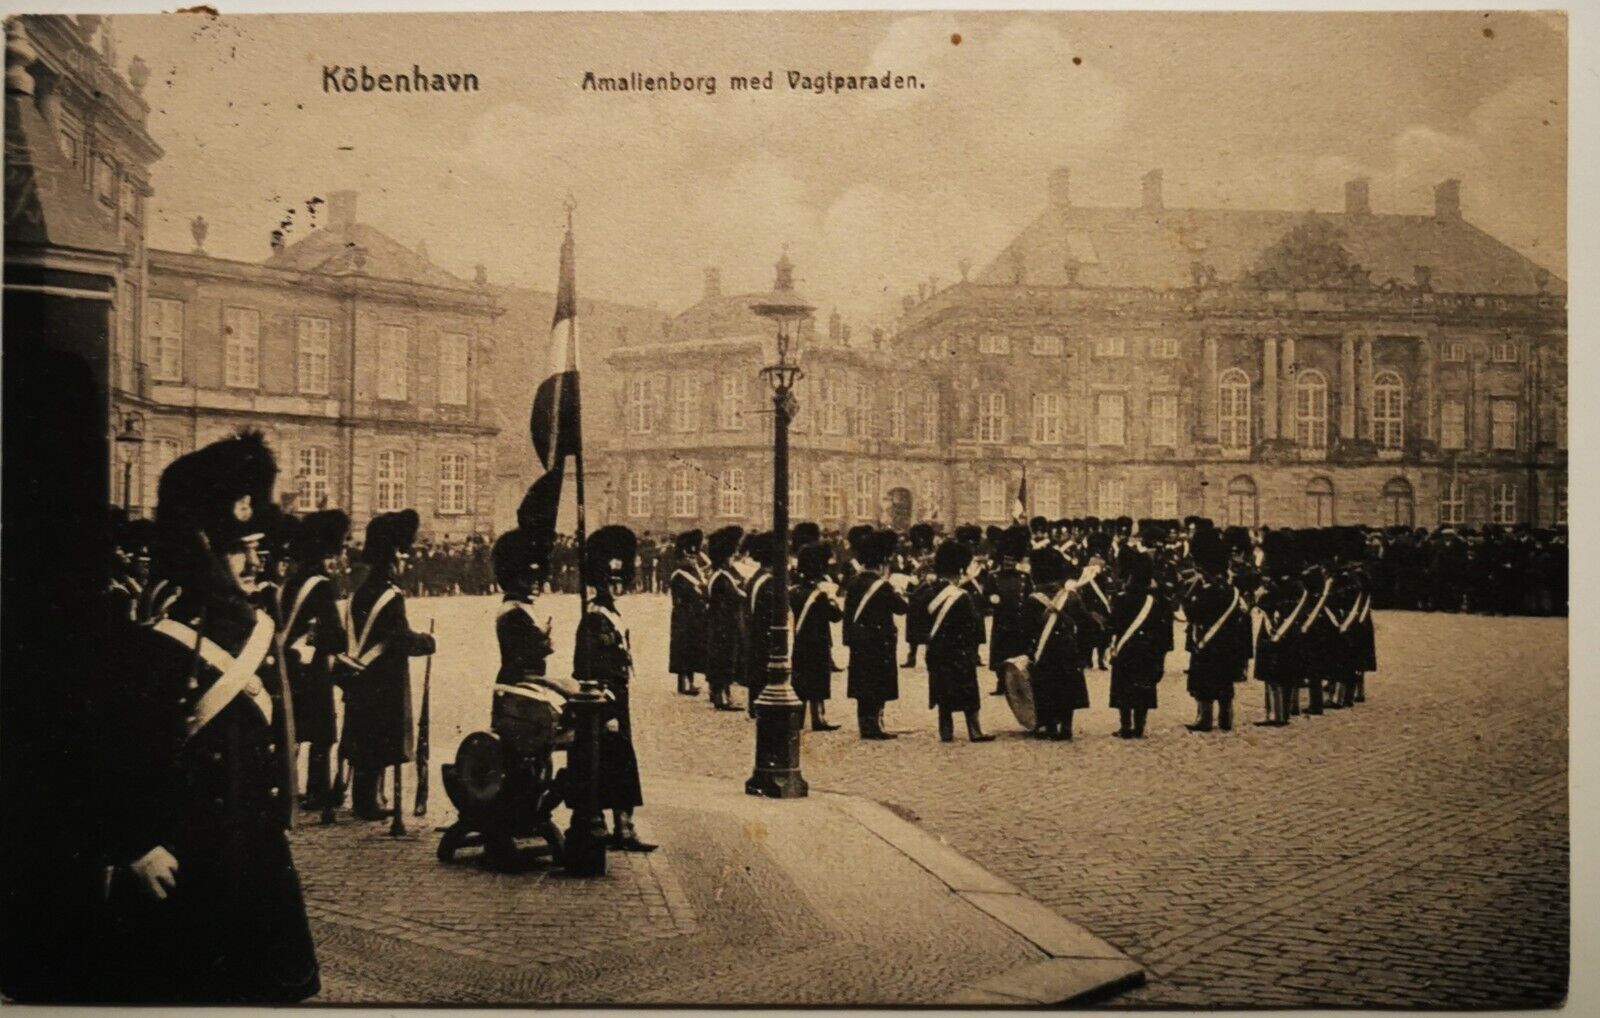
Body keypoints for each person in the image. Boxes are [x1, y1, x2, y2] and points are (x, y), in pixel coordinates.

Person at [97, 431, 319, 1002]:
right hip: (181, 860)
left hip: (254, 855)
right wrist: (138, 843)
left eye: (255, 546)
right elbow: (118, 749)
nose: (253, 561)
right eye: (236, 548)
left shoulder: (255, 630)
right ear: (201, 545)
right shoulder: (156, 639)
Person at [338, 510, 437, 821]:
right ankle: (368, 803)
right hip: (383, 677)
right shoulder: (390, 594)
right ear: (393, 553)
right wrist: (427, 641)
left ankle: (367, 797)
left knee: (363, 735)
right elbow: (399, 638)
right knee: (377, 739)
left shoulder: (362, 590)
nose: (404, 560)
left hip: (360, 674)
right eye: (401, 553)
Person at [572, 525, 654, 852]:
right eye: (611, 581)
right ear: (600, 582)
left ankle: (622, 823)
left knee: (618, 760)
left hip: (618, 697)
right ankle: (618, 826)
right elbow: (587, 666)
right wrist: (606, 710)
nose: (617, 587)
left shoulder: (610, 614)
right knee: (611, 761)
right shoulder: (594, 617)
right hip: (606, 700)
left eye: (620, 581)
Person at [279, 509, 350, 811]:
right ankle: (317, 790)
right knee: (322, 733)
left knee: (291, 729)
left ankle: (285, 786)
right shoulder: (321, 584)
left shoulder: (292, 581)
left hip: (289, 663)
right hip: (314, 667)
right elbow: (333, 631)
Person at [916, 538, 994, 743]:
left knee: (942, 692)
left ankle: (946, 730)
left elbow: (919, 620)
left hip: (937, 650)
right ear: (958, 570)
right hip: (960, 651)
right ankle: (975, 730)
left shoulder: (927, 592)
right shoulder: (963, 596)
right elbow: (975, 627)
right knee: (968, 692)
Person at [843, 528, 906, 740]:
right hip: (880, 642)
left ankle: (865, 724)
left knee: (863, 684)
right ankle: (876, 724)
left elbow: (848, 614)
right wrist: (898, 590)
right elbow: (901, 608)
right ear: (881, 563)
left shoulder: (853, 583)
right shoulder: (883, 586)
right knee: (879, 684)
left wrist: (849, 639)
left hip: (859, 642)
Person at [1182, 526, 1246, 733]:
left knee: (1204, 682)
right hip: (1226, 643)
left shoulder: (1205, 590)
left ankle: (1205, 718)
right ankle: (1226, 718)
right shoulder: (1229, 589)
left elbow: (1192, 613)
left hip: (1207, 643)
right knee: (1225, 682)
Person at [1021, 546, 1089, 740]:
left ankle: (1050, 725)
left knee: (1045, 687)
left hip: (1043, 652)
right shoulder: (1072, 598)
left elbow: (1025, 629)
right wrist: (1082, 652)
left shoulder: (1032, 599)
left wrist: (1029, 650)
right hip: (1068, 650)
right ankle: (1066, 726)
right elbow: (1085, 625)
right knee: (1068, 688)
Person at [1107, 546, 1168, 739]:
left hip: (1126, 651)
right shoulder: (1155, 602)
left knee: (1124, 690)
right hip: (1147, 651)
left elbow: (1113, 626)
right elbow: (1162, 632)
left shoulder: (1122, 600)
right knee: (1143, 689)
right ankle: (1140, 726)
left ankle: (1125, 726)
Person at [492, 528, 556, 689]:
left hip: (528, 683)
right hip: (517, 685)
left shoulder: (523, 608)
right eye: (529, 579)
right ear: (515, 579)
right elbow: (525, 653)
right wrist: (544, 642)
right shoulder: (513, 612)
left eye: (538, 578)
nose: (536, 583)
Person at [1253, 529, 1306, 727]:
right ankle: (1287, 710)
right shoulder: (1295, 582)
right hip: (1290, 631)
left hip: (1277, 631)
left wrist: (1261, 596)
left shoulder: (1281, 584)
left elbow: (1266, 603)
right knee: (1286, 669)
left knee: (1274, 672)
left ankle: (1276, 714)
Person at [791, 540, 843, 731]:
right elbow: (836, 616)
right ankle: (818, 716)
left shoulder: (794, 591)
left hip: (799, 641)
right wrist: (832, 598)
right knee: (818, 680)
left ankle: (797, 716)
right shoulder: (820, 594)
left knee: (800, 679)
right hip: (819, 641)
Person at [986, 524, 1034, 695]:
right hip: (1002, 621)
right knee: (1001, 654)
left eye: (1011, 561)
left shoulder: (1024, 577)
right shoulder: (993, 577)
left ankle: (1018, 684)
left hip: (1019, 620)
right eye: (1005, 560)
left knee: (1018, 653)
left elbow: (1029, 596)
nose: (1008, 563)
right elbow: (987, 596)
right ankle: (1001, 683)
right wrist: (993, 601)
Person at [704, 525, 747, 712]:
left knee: (722, 659)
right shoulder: (722, 577)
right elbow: (735, 597)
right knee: (724, 659)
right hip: (724, 625)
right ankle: (722, 696)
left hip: (720, 623)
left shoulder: (722, 575)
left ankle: (719, 693)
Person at [741, 531, 780, 716]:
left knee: (756, 666)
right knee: (762, 667)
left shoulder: (756, 577)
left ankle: (753, 702)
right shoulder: (769, 582)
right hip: (764, 631)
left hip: (754, 629)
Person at [667, 529, 708, 696]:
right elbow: (693, 593)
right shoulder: (679, 575)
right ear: (683, 556)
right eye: (689, 557)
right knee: (682, 650)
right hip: (683, 617)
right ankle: (682, 684)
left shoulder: (693, 573)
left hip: (694, 617)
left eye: (693, 557)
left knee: (692, 651)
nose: (692, 560)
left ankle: (690, 682)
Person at [902, 523, 936, 668]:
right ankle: (912, 656)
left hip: (928, 590)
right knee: (913, 625)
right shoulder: (911, 551)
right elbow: (905, 569)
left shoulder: (934, 552)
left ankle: (930, 655)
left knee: (929, 623)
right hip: (914, 590)